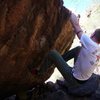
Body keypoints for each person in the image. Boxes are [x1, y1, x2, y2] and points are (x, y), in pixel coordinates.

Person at [30, 12, 100, 96]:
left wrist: (69, 13)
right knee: (78, 49)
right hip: (83, 79)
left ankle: (39, 72)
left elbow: (76, 26)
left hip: (74, 80)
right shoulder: (97, 48)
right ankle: (58, 61)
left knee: (52, 53)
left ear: (93, 34)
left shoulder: (89, 43)